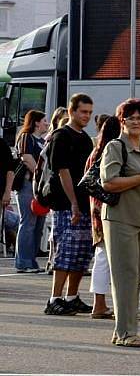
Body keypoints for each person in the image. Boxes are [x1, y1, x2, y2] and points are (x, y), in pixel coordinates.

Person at [100, 99, 140, 346]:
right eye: (130, 117)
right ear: (122, 121)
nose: (136, 121)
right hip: (120, 218)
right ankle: (126, 333)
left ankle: (123, 330)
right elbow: (109, 182)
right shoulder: (115, 147)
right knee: (125, 276)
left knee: (136, 276)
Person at [44, 94, 95, 316]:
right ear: (72, 111)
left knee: (81, 252)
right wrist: (73, 202)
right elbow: (62, 171)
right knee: (65, 250)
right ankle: (54, 299)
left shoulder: (84, 138)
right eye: (83, 112)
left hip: (83, 202)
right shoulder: (61, 136)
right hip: (65, 203)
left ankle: (72, 296)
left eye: (90, 113)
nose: (87, 116)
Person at [87, 117, 122, 319]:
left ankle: (99, 302)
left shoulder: (96, 152)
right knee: (105, 258)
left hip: (95, 207)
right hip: (108, 208)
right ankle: (99, 304)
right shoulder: (111, 151)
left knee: (102, 256)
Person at [14, 110, 47, 273]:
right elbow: (26, 158)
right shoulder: (26, 137)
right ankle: (23, 262)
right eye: (44, 121)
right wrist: (40, 177)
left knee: (38, 224)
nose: (47, 124)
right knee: (28, 222)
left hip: (39, 186)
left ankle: (31, 261)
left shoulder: (42, 140)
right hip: (28, 184)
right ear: (36, 123)